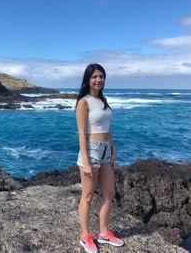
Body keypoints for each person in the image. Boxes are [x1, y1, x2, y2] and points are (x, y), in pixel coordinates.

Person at [76, 63, 124, 253]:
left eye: (101, 76)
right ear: (88, 79)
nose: (98, 80)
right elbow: (81, 133)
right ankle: (85, 236)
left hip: (105, 150)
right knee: (87, 196)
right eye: (95, 76)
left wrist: (113, 149)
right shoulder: (83, 102)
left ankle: (103, 232)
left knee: (109, 193)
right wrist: (86, 161)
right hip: (91, 150)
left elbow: (107, 128)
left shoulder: (103, 101)